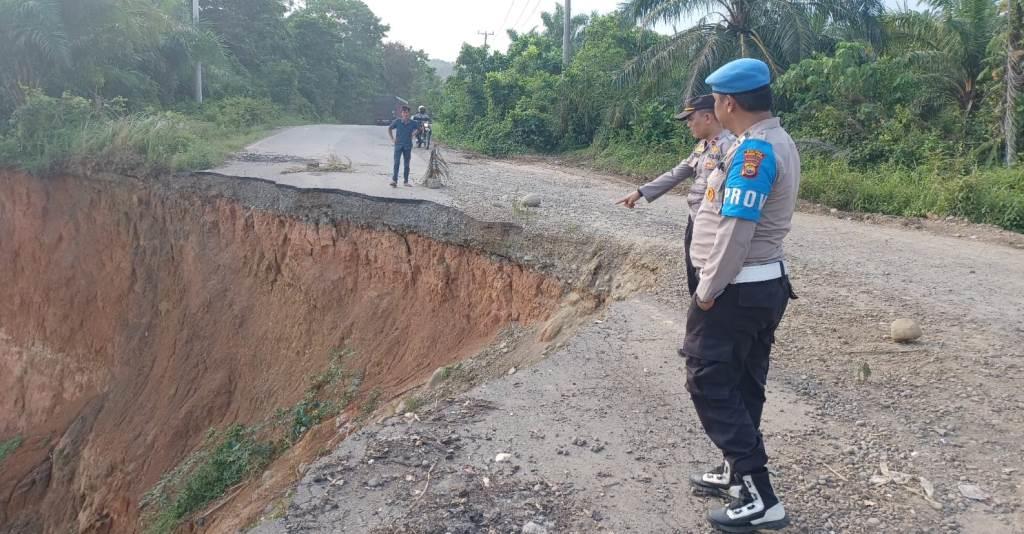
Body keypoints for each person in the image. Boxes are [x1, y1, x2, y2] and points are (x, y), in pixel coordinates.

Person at [681, 58, 800, 532]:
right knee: (743, 380)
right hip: (760, 287)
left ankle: (759, 495)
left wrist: (707, 290)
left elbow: (736, 232)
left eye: (716, 100)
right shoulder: (774, 140)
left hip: (738, 287)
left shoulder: (755, 153)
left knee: (707, 379)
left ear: (728, 103)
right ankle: (735, 472)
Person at [616, 95, 735, 296]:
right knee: (693, 277)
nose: (688, 125)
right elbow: (677, 173)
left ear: (707, 117)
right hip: (695, 220)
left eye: (690, 119)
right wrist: (640, 192)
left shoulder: (729, 147)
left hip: (713, 226)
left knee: (709, 280)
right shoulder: (704, 146)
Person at [388, 105, 422, 187]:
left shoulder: (413, 123)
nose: (405, 114)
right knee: (396, 163)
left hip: (407, 145)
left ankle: (405, 181)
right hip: (398, 145)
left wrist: (414, 134)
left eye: (407, 112)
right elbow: (389, 128)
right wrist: (392, 139)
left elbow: (420, 129)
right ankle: (394, 180)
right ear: (401, 113)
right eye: (404, 112)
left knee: (406, 164)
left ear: (409, 113)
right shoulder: (397, 121)